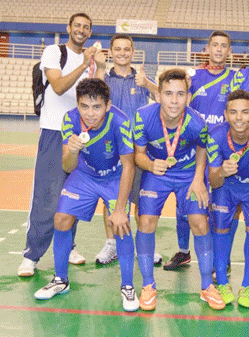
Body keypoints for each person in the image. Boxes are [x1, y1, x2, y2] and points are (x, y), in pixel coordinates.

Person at [34, 79, 139, 312]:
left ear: (107, 105)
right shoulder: (70, 119)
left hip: (114, 176)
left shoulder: (120, 121)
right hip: (85, 175)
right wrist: (72, 151)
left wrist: (121, 209)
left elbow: (129, 166)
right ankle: (61, 280)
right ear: (78, 105)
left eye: (96, 107)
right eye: (84, 106)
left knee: (121, 225)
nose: (90, 114)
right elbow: (68, 167)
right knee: (61, 219)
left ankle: (128, 286)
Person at [18, 13, 106, 277]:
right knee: (47, 197)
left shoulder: (91, 60)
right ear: (69, 28)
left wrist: (99, 67)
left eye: (86, 27)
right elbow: (57, 86)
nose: (81, 30)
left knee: (74, 195)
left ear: (90, 32)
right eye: (77, 26)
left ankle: (68, 247)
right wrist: (84, 64)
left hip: (81, 134)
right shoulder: (54, 52)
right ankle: (31, 256)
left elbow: (97, 93)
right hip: (55, 133)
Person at [133, 69, 225, 311]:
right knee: (146, 222)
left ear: (188, 96)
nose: (174, 100)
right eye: (168, 94)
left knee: (200, 223)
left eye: (180, 94)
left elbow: (202, 149)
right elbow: (138, 156)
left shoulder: (197, 122)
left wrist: (198, 179)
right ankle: (148, 285)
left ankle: (207, 286)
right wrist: (152, 165)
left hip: (188, 175)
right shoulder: (143, 117)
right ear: (158, 95)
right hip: (156, 173)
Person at [163, 30, 237, 272]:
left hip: (221, 152)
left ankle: (220, 259)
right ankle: (184, 252)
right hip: (191, 150)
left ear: (229, 51)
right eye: (214, 45)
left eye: (223, 46)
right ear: (206, 48)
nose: (218, 49)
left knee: (219, 207)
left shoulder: (236, 79)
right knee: (184, 205)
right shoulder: (191, 77)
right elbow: (171, 100)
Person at [96, 33, 160, 265]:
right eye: (118, 49)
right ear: (111, 52)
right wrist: (99, 69)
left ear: (133, 53)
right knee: (112, 199)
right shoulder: (104, 78)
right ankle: (112, 244)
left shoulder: (142, 77)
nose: (122, 53)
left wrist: (148, 84)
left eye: (127, 49)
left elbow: (165, 97)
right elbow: (92, 98)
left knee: (141, 198)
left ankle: (145, 245)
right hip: (111, 147)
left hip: (138, 148)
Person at [207, 89, 249, 307]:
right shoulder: (216, 136)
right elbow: (213, 181)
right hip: (226, 187)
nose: (239, 118)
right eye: (234, 112)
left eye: (245, 112)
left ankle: (246, 286)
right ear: (225, 114)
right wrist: (222, 172)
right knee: (220, 229)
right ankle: (223, 282)